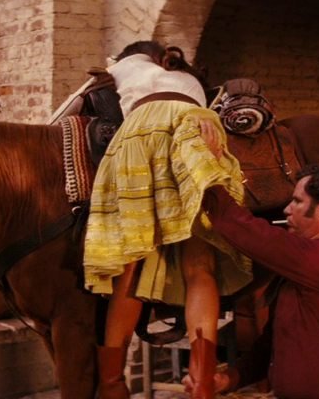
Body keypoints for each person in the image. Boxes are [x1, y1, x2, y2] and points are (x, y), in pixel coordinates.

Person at [82, 41, 252, 399]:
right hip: (199, 127)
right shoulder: (190, 82)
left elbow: (75, 102)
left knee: (130, 263)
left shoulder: (126, 66)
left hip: (143, 129)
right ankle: (202, 381)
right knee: (200, 265)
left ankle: (111, 382)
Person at [186, 127, 319, 398]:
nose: (287, 209)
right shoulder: (303, 267)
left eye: (297, 201)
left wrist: (209, 167)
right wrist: (229, 379)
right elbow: (272, 345)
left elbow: (248, 231)